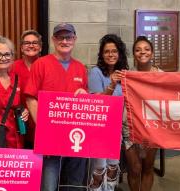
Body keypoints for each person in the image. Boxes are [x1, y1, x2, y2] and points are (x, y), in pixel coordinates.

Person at [24, 23, 88, 191]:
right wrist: (46, 129)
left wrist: (85, 96)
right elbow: (31, 99)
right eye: (60, 37)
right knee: (49, 186)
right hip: (50, 140)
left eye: (68, 37)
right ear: (53, 40)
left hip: (76, 139)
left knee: (73, 184)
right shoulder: (41, 64)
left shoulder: (80, 68)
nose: (64, 41)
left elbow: (86, 106)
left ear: (74, 39)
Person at [88, 34, 129, 191]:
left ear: (119, 54)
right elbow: (98, 103)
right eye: (107, 51)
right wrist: (111, 84)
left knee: (113, 169)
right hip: (98, 131)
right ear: (102, 54)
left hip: (115, 130)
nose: (111, 54)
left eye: (114, 51)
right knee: (98, 171)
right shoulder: (96, 72)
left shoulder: (124, 74)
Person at [122, 36, 162, 191]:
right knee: (134, 168)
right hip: (130, 127)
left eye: (146, 49)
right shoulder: (128, 76)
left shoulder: (162, 76)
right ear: (134, 54)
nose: (142, 52)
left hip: (152, 128)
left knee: (147, 167)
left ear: (152, 53)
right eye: (138, 50)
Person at [12, 30, 42, 148]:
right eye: (27, 43)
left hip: (40, 124)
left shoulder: (47, 66)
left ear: (40, 47)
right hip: (19, 123)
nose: (31, 45)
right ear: (21, 48)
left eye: (35, 42)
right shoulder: (12, 67)